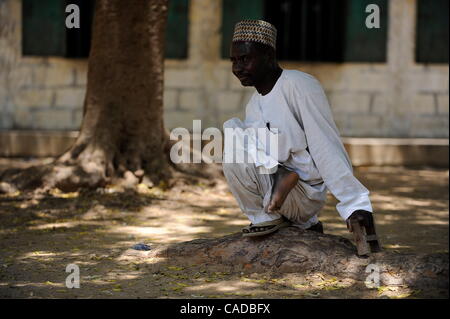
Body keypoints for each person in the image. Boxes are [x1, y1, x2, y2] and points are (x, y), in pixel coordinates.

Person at [222, 19, 377, 239]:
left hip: (304, 195)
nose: (237, 68)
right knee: (232, 128)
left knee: (235, 134)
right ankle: (273, 216)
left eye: (245, 59)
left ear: (268, 56)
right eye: (234, 61)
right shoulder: (254, 106)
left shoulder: (298, 84)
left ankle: (283, 213)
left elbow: (325, 143)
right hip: (276, 196)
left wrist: (355, 203)